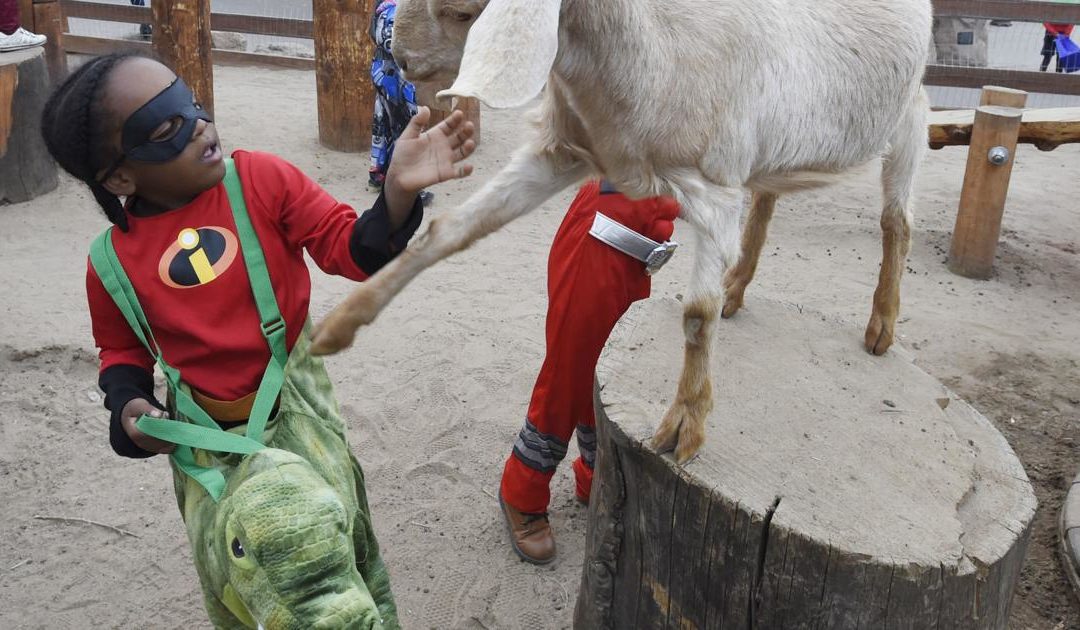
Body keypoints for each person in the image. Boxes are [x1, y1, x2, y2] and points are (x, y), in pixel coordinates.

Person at [39, 53, 475, 621]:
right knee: (237, 573)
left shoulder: (262, 181)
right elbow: (121, 351)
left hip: (297, 411)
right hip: (201, 442)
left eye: (191, 103)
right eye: (167, 127)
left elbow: (352, 250)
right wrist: (128, 407)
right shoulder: (110, 263)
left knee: (329, 551)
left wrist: (396, 193)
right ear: (121, 177)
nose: (199, 124)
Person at [498, 181, 679, 564]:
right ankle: (522, 491)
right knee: (568, 374)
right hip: (602, 233)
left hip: (643, 242)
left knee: (607, 373)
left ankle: (595, 475)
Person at [368, 0, 432, 205]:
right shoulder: (394, 10)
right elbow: (391, 43)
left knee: (385, 123)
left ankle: (378, 176)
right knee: (405, 127)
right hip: (394, 76)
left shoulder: (385, 7)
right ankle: (407, 186)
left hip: (387, 73)